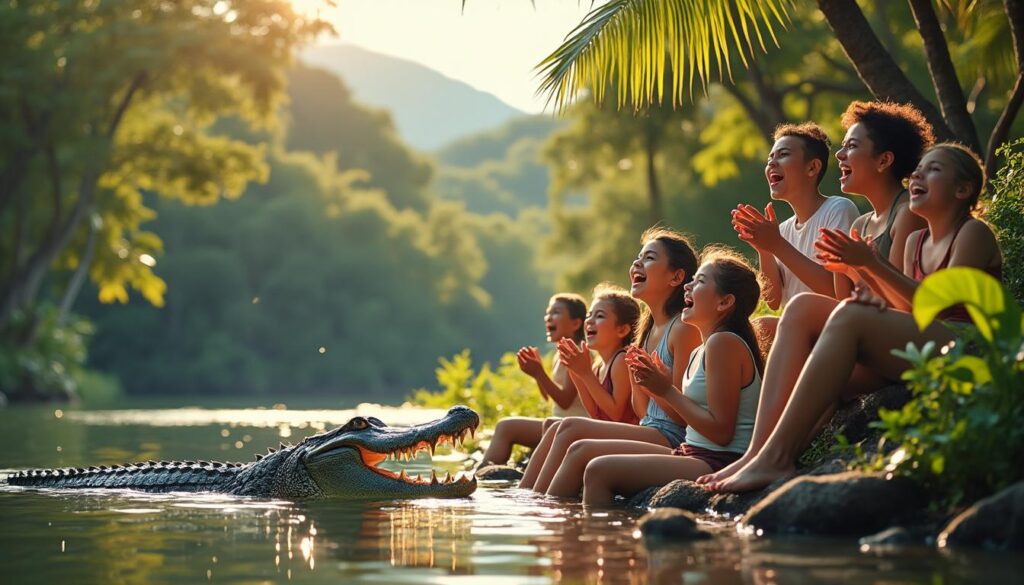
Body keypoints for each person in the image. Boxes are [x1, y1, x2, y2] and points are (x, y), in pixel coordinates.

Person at [705, 143, 1002, 493]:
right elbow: (905, 310)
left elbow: (935, 309)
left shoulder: (972, 233)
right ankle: (760, 452)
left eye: (933, 170)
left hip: (963, 346)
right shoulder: (916, 242)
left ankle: (777, 457)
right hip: (921, 346)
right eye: (918, 169)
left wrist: (870, 266)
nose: (918, 175)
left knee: (847, 316)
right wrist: (863, 278)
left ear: (963, 190)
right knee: (802, 311)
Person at [694, 100, 937, 490]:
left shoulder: (902, 212)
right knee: (774, 322)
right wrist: (773, 247)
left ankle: (771, 455)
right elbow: (843, 296)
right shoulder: (860, 222)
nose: (841, 153)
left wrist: (860, 265)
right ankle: (760, 453)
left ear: (883, 160)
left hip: (895, 343)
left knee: (802, 307)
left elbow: (898, 304)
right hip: (859, 338)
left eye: (852, 146)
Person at [550, 248, 763, 504]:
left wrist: (665, 390)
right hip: (690, 452)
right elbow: (648, 412)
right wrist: (648, 383)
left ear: (725, 302)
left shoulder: (723, 344)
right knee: (580, 448)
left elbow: (721, 433)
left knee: (598, 471)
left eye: (700, 281)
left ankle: (593, 539)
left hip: (716, 460)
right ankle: (550, 520)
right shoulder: (702, 349)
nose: (688, 287)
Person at [518, 228, 702, 494]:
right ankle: (529, 500)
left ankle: (542, 510)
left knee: (571, 431)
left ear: (676, 276)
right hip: (650, 429)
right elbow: (642, 412)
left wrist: (656, 387)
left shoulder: (682, 329)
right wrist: (587, 374)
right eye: (638, 257)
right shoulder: (646, 333)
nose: (637, 263)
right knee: (564, 427)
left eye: (649, 258)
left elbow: (684, 417)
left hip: (674, 437)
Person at [730, 123, 860, 341]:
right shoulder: (783, 230)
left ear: (812, 168)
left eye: (783, 154)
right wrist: (765, 250)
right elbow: (773, 301)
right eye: (770, 157)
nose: (772, 162)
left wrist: (777, 245)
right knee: (750, 329)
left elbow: (837, 292)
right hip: (799, 331)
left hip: (836, 328)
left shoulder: (838, 209)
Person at [480, 294, 589, 468]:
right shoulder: (559, 355)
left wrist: (539, 374)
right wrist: (536, 373)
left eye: (556, 312)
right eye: (548, 313)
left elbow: (565, 401)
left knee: (506, 427)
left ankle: (483, 476)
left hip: (570, 426)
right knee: (508, 426)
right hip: (557, 423)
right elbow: (550, 397)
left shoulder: (577, 354)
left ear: (576, 323)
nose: (548, 317)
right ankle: (489, 473)